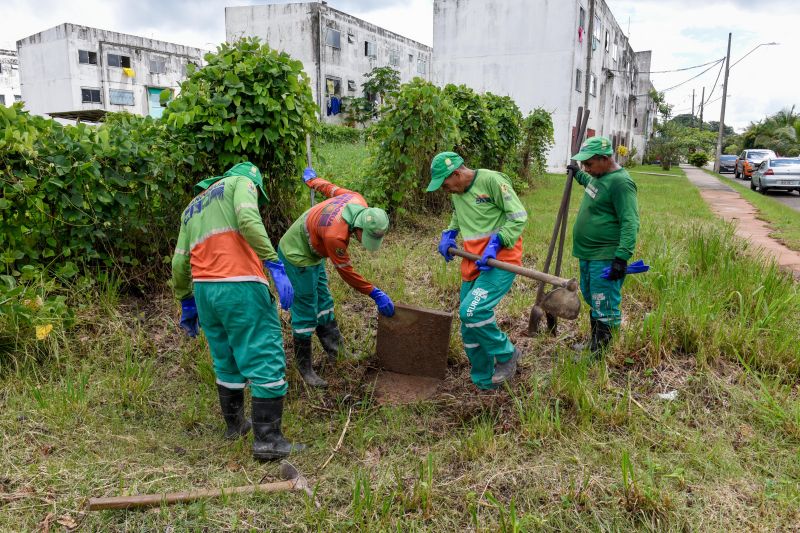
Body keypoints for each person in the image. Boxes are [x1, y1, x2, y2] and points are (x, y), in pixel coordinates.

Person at [171, 161, 304, 460]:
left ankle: (235, 427)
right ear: (254, 184)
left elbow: (179, 263)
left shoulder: (192, 206)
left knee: (226, 359)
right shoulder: (241, 183)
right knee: (265, 355)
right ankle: (268, 441)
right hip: (241, 285)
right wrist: (273, 262)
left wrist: (187, 300)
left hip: (205, 292)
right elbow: (247, 218)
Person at [277, 167, 395, 388]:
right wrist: (374, 292)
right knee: (305, 309)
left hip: (314, 250)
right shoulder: (336, 236)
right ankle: (305, 368)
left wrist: (313, 181)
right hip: (297, 254)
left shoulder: (357, 199)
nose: (363, 241)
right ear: (358, 226)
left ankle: (336, 352)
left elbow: (331, 189)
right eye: (366, 237)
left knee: (324, 302)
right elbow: (347, 273)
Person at [427, 151, 528, 389]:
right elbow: (458, 215)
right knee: (469, 328)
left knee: (473, 312)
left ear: (457, 173)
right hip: (473, 261)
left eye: (445, 183)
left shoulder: (492, 181)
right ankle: (484, 382)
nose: (445, 189)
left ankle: (507, 354)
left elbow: (519, 216)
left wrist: (497, 241)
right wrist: (450, 234)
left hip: (500, 260)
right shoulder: (457, 192)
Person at [567, 136, 640, 355]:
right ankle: (595, 343)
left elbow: (630, 221)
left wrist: (621, 257)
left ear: (604, 158)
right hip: (588, 253)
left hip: (605, 256)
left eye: (588, 164)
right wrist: (576, 173)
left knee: (604, 301)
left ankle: (603, 351)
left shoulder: (621, 182)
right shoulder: (598, 176)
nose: (586, 169)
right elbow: (591, 186)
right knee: (592, 297)